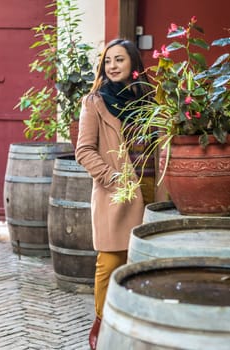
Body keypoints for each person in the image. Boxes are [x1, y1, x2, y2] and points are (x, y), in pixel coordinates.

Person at [75, 38, 155, 350]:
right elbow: (83, 150)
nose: (112, 66)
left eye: (119, 60)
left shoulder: (150, 99)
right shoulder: (94, 101)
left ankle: (134, 323)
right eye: (108, 61)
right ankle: (101, 321)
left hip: (149, 188)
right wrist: (113, 179)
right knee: (109, 262)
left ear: (134, 63)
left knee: (142, 263)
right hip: (116, 193)